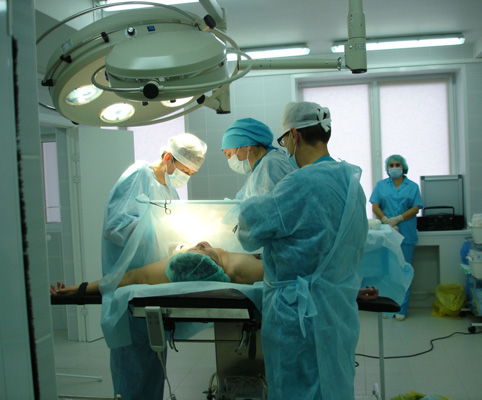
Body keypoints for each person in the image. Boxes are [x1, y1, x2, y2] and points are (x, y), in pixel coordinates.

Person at [236, 101, 369, 400]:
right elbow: (350, 243)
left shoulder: (300, 182)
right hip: (337, 309)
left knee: (297, 390)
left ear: (294, 135)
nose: (284, 147)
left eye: (284, 140)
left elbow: (248, 231)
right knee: (333, 386)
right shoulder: (351, 182)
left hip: (299, 317)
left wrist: (248, 203)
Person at [101, 133, 207, 400]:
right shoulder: (138, 175)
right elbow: (115, 228)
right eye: (185, 171)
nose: (186, 177)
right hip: (130, 286)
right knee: (132, 365)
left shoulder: (170, 190)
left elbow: (167, 234)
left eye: (191, 174)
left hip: (155, 287)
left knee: (154, 361)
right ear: (169, 157)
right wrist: (155, 227)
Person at [369, 154, 423, 321]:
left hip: (406, 234)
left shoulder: (412, 186)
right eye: (391, 165)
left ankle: (401, 308)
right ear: (387, 168)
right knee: (386, 271)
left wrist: (398, 218)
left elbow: (416, 208)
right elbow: (375, 206)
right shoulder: (381, 186)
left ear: (403, 167)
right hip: (386, 233)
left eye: (397, 165)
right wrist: (386, 220)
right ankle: (387, 307)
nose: (394, 167)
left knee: (404, 270)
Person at [221, 118, 295, 200]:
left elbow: (268, 205)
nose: (230, 160)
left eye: (229, 154)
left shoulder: (270, 164)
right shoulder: (258, 170)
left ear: (247, 145)